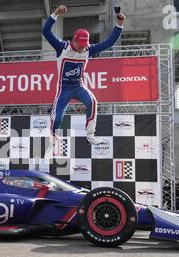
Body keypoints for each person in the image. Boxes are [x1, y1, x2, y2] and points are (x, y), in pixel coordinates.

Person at [42, 4, 125, 155]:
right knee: (57, 118)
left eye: (84, 46)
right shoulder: (62, 47)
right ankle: (53, 141)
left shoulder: (88, 49)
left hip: (78, 86)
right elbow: (46, 32)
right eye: (80, 46)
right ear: (74, 40)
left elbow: (109, 43)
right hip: (63, 89)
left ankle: (90, 135)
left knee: (92, 101)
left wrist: (119, 25)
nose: (82, 48)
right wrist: (55, 14)